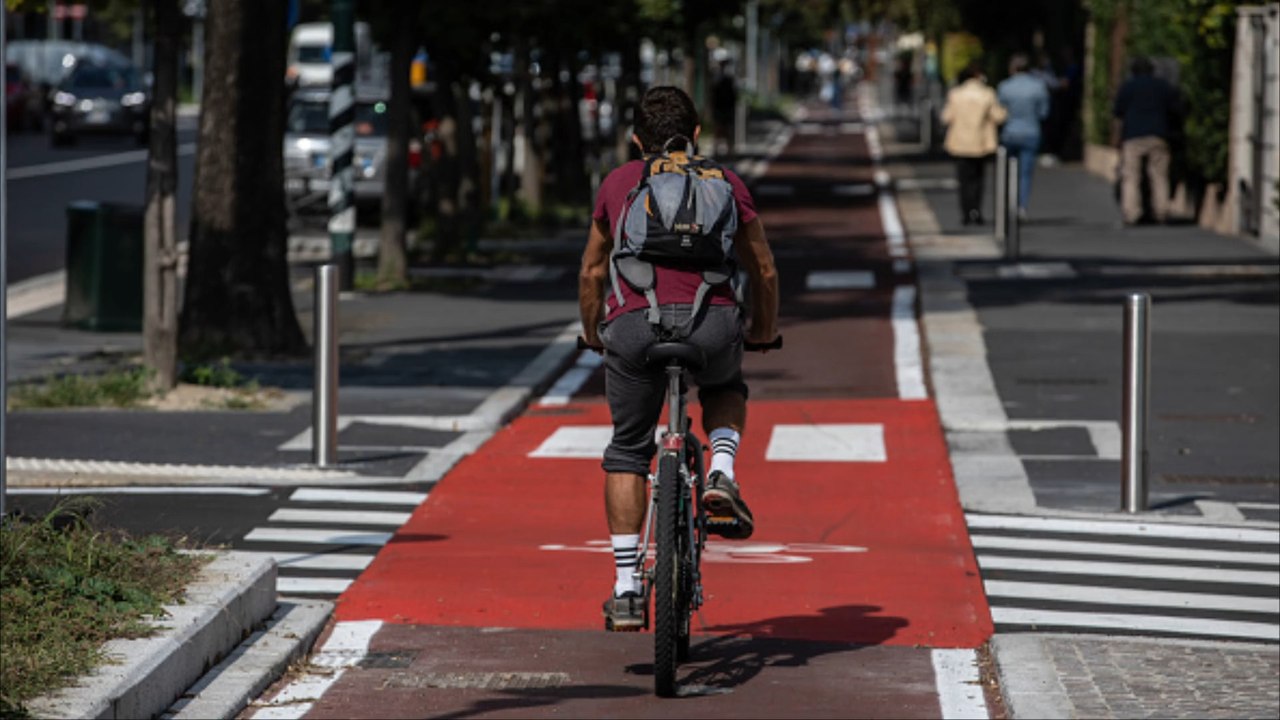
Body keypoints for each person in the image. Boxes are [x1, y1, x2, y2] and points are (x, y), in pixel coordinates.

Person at [578, 86, 779, 630]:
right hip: (709, 325)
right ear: (696, 135)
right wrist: (761, 329)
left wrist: (594, 332)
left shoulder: (619, 183)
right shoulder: (726, 182)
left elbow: (593, 271)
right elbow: (762, 269)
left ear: (636, 138)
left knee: (627, 450)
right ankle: (721, 470)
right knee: (725, 386)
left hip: (633, 329)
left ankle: (624, 587)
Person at [1112, 56, 1182, 225]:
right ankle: (1162, 212)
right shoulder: (1162, 86)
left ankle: (1132, 213)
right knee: (1159, 175)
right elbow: (1176, 108)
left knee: (1131, 176)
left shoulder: (1128, 87)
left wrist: (1118, 137)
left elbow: (1118, 112)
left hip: (1133, 136)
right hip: (1158, 134)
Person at [941, 61, 1007, 225]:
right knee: (978, 179)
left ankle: (965, 212)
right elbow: (998, 116)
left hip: (960, 142)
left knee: (963, 180)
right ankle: (976, 211)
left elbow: (946, 117)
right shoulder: (987, 94)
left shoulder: (956, 94)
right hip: (980, 142)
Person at [996, 53, 1050, 220]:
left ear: (1013, 68)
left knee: (1006, 171)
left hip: (1010, 133)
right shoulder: (1038, 86)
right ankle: (1021, 207)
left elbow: (999, 112)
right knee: (1025, 173)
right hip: (1031, 132)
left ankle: (1007, 205)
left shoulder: (1005, 86)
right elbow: (1044, 113)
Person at [711, 61, 738, 158]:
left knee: (727, 130)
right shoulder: (717, 80)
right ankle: (718, 150)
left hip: (725, 108)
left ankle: (729, 150)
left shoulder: (727, 80)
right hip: (720, 108)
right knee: (720, 130)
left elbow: (733, 95)